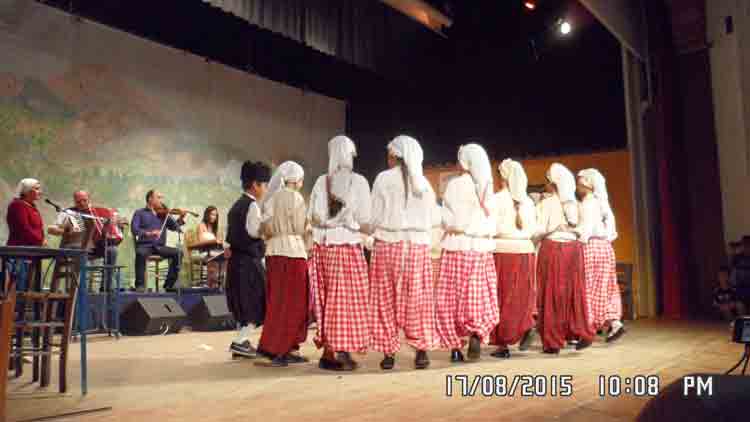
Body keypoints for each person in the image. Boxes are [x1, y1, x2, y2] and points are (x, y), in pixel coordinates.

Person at [369, 135, 440, 370]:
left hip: (389, 244)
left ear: (393, 156)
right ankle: (421, 351)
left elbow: (374, 216)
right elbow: (434, 218)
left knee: (385, 299)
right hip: (416, 247)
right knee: (418, 299)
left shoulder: (383, 179)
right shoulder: (423, 183)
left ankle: (388, 353)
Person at [308, 135, 372, 371]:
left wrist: (329, 222)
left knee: (327, 300)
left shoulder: (321, 181)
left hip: (324, 247)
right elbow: (366, 219)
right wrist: (349, 221)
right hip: (346, 245)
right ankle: (339, 351)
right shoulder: (359, 181)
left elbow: (313, 216)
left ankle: (330, 350)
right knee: (345, 300)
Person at [435, 143, 499, 362]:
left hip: (457, 246)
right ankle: (476, 333)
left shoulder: (455, 184)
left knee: (450, 298)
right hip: (480, 249)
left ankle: (454, 348)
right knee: (478, 295)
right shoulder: (487, 188)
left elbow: (447, 218)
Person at [534, 163, 594, 354]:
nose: (546, 185)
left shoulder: (547, 203)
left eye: (547, 181)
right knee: (574, 291)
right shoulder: (575, 204)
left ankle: (553, 341)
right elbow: (585, 230)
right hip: (574, 250)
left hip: (553, 249)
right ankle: (580, 331)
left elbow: (538, 230)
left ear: (553, 183)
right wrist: (572, 231)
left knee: (551, 294)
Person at [256, 161, 309, 367]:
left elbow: (264, 227)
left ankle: (274, 346)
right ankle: (282, 349)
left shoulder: (271, 198)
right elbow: (299, 227)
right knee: (294, 303)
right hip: (292, 252)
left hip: (273, 251)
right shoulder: (296, 198)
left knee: (276, 301)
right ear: (297, 179)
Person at [489, 159, 537, 359]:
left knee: (502, 296)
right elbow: (534, 229)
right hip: (526, 251)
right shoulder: (528, 201)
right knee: (521, 296)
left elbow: (491, 227)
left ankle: (503, 344)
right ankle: (526, 325)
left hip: (503, 251)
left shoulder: (496, 199)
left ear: (503, 177)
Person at [224, 161, 271, 359]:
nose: (266, 189)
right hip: (249, 263)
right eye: (264, 184)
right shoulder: (251, 206)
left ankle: (242, 342)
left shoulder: (236, 206)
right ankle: (240, 341)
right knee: (256, 301)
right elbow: (254, 232)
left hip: (237, 263)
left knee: (244, 303)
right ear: (255, 185)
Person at [576, 169, 624, 343]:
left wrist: (575, 237)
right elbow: (612, 231)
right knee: (607, 287)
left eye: (579, 183)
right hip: (606, 247)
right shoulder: (603, 203)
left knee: (588, 288)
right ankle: (615, 322)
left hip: (591, 246)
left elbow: (586, 229)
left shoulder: (588, 203)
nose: (577, 187)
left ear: (587, 185)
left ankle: (587, 328)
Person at [47, 190, 122, 291]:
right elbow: (51, 229)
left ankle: (106, 287)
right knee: (82, 254)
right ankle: (80, 290)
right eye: (79, 201)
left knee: (112, 250)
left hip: (94, 247)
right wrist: (66, 231)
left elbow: (108, 228)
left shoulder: (96, 212)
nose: (82, 203)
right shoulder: (70, 213)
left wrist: (115, 224)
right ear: (74, 201)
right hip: (76, 247)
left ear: (89, 199)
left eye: (84, 200)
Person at [130, 190, 186, 291]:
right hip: (145, 245)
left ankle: (169, 284)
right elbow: (135, 229)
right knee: (140, 253)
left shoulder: (163, 214)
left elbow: (175, 227)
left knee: (178, 253)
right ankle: (140, 285)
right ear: (150, 199)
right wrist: (149, 233)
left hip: (160, 247)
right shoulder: (139, 213)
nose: (161, 200)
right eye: (158, 197)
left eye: (161, 198)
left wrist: (181, 217)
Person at [6, 178, 45, 247]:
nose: (40, 192)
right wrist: (40, 240)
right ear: (27, 190)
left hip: (33, 248)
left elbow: (39, 229)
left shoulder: (32, 207)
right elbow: (23, 228)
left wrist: (42, 240)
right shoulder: (17, 205)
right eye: (37, 189)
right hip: (20, 249)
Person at [196, 206, 224, 288]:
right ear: (207, 214)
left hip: (214, 251)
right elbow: (200, 241)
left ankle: (219, 282)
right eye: (212, 214)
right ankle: (211, 284)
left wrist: (219, 241)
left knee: (225, 257)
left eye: (215, 215)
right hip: (204, 251)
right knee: (213, 258)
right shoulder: (201, 225)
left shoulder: (214, 228)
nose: (213, 217)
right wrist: (214, 241)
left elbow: (219, 241)